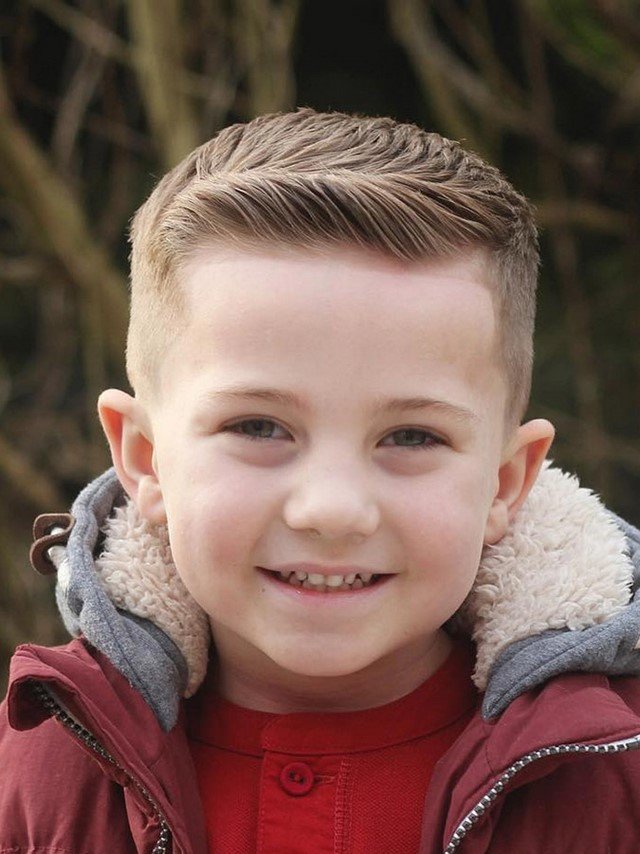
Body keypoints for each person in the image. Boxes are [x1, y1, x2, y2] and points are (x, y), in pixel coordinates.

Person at [1, 108, 640, 854]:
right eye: (258, 427)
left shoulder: (616, 777)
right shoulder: (35, 776)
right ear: (145, 459)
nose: (332, 510)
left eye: (411, 436)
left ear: (505, 482)